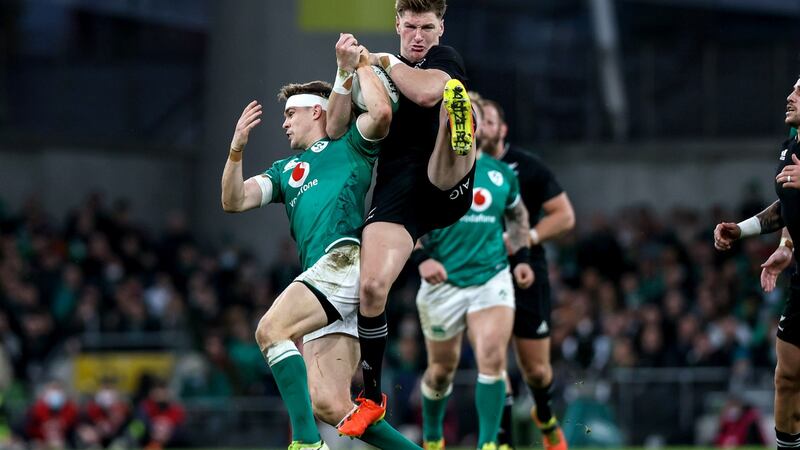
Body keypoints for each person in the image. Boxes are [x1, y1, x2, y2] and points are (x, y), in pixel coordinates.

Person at [220, 43, 420, 450]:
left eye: (290, 113)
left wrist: (358, 64)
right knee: (330, 404)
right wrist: (236, 147)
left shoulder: (350, 143)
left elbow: (381, 113)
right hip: (324, 280)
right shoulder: (285, 171)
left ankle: (306, 444)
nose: (284, 124)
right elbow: (233, 200)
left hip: (343, 261)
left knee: (271, 330)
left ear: (317, 110)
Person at [326, 0, 478, 436]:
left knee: (451, 101)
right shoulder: (371, 70)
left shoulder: (442, 59)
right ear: (396, 24)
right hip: (397, 193)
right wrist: (345, 72)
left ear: (441, 27)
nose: (418, 36)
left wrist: (383, 60)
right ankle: (372, 397)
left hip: (446, 180)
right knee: (372, 287)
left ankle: (463, 127)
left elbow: (427, 92)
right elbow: (335, 129)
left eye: (426, 27)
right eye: (410, 26)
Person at [412, 100, 535, 450]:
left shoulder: (502, 174)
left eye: (470, 120)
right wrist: (421, 259)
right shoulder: (430, 172)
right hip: (443, 283)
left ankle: (488, 444)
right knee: (440, 371)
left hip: (491, 279)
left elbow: (518, 217)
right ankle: (433, 437)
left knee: (493, 358)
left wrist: (522, 256)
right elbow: (405, 222)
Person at [476, 97, 575, 450]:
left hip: (526, 269)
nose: (482, 125)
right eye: (478, 119)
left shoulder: (526, 167)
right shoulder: (460, 168)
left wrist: (526, 238)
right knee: (492, 359)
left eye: (489, 120)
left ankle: (545, 416)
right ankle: (500, 440)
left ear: (502, 129)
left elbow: (564, 216)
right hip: (482, 273)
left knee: (536, 371)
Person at [713, 77, 800, 450]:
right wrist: (748, 231)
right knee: (787, 377)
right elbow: (789, 208)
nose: (789, 96)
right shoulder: (791, 147)